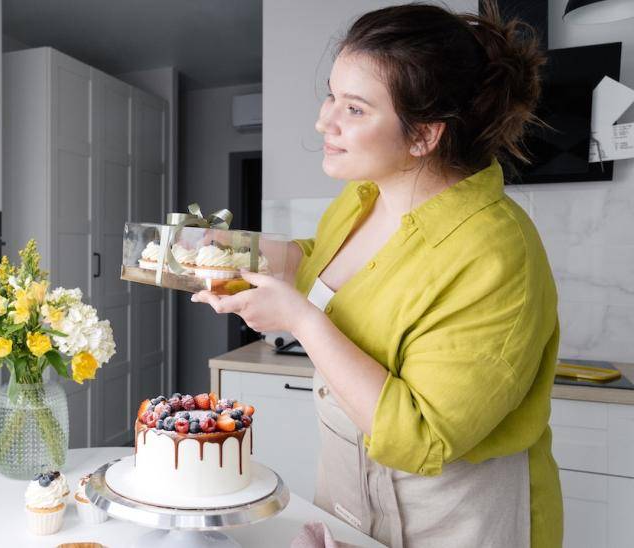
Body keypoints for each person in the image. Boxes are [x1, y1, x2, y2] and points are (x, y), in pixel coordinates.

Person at [192, 2, 561, 547]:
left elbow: (423, 437)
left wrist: (301, 318)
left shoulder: (496, 253)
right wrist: (246, 252)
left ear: (425, 135)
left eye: (356, 109)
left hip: (451, 517)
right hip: (349, 491)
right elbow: (329, 260)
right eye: (331, 95)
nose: (324, 120)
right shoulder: (365, 195)